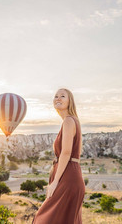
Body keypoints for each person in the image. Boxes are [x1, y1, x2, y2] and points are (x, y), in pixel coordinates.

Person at [32, 88, 85, 224]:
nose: (58, 98)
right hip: (70, 176)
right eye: (56, 96)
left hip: (67, 177)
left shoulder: (68, 121)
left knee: (43, 219)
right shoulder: (73, 121)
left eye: (62, 96)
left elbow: (66, 152)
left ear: (70, 101)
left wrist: (55, 182)